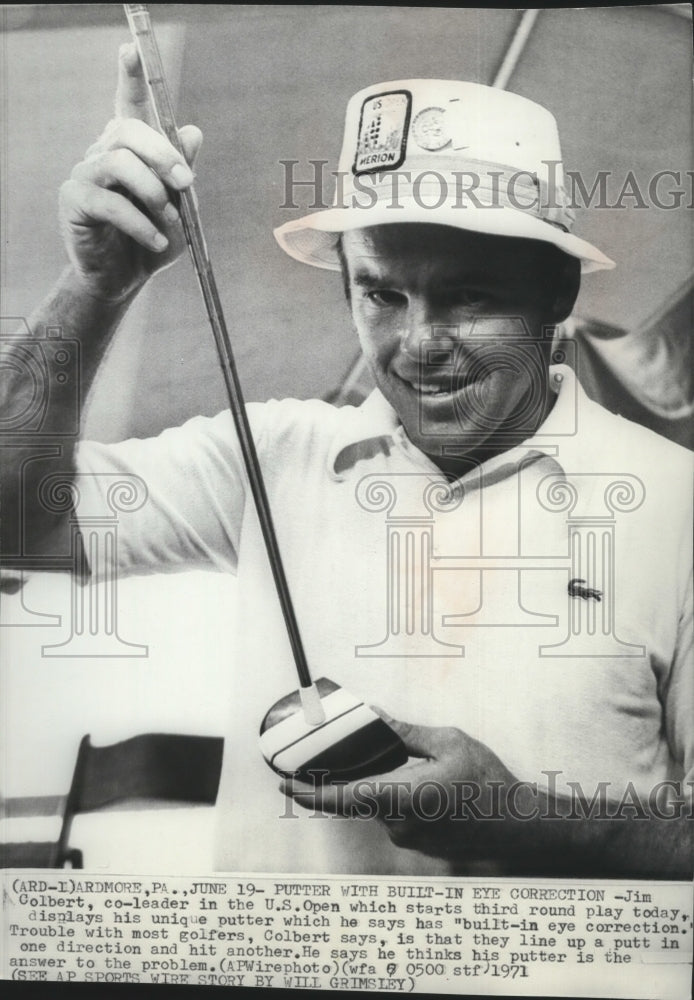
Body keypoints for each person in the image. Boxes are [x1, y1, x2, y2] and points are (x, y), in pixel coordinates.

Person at [3, 44, 692, 877]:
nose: (421, 344)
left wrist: (528, 820)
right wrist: (97, 285)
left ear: (558, 295)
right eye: (383, 294)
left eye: (471, 295)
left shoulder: (677, 506)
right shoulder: (270, 458)